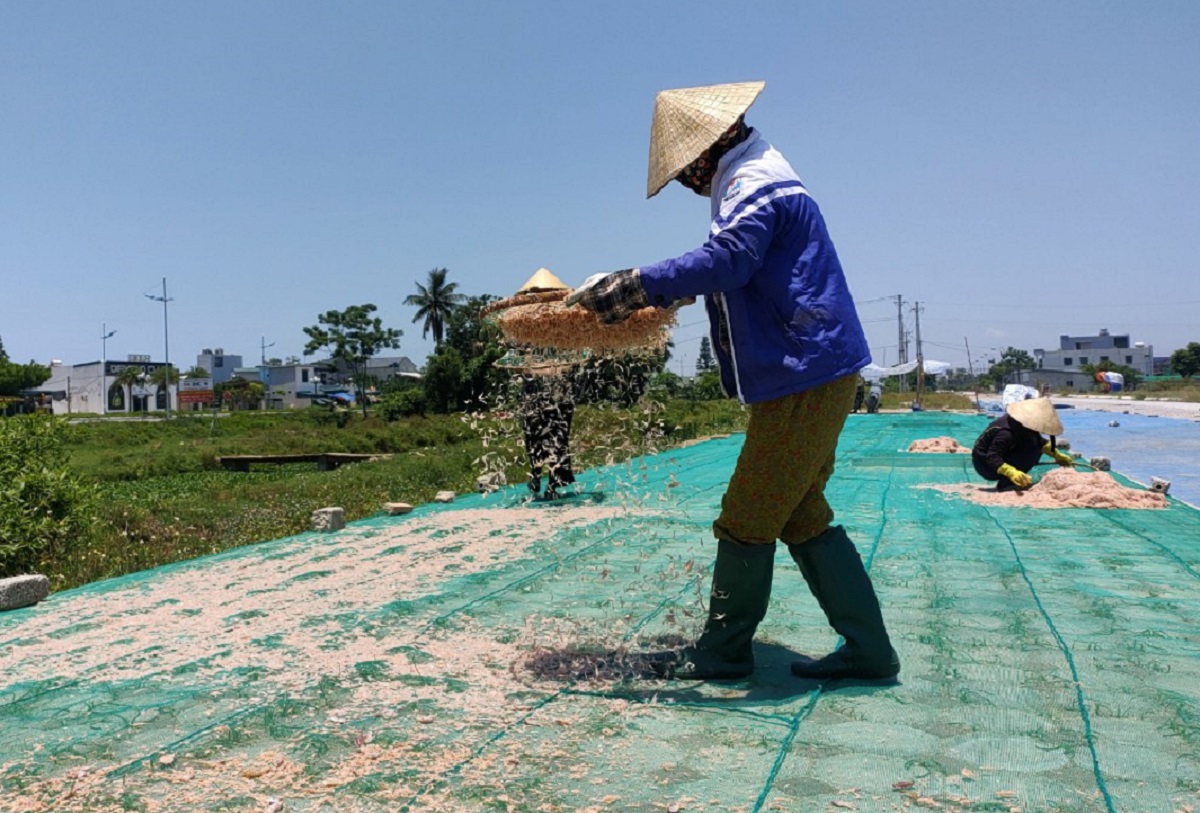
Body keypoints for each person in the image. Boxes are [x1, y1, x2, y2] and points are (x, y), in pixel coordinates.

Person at [566, 81, 899, 682]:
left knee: (746, 513)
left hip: (805, 369)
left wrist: (639, 281)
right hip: (814, 365)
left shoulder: (754, 183)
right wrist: (678, 286)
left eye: (685, 168)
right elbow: (743, 266)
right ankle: (869, 651)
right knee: (799, 513)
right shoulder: (756, 176)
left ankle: (722, 653)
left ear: (711, 143)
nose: (687, 180)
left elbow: (734, 259)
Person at [972, 397, 1073, 490]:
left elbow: (1040, 442)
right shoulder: (1006, 432)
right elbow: (992, 457)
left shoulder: (1023, 424)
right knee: (1029, 452)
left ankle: (1014, 475)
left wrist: (1057, 454)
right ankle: (1007, 482)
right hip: (984, 464)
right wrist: (1010, 472)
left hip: (1001, 456)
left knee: (1034, 447)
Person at [521, 367, 576, 500]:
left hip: (554, 397)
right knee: (545, 439)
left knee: (551, 439)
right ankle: (542, 480)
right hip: (544, 396)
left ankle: (546, 480)